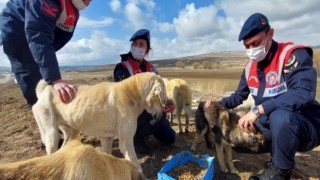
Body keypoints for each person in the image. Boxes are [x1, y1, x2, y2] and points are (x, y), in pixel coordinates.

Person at [206, 13, 320, 179]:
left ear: (270, 34)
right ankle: (278, 158)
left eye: (256, 43)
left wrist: (260, 109)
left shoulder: (291, 56)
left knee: (279, 116)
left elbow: (303, 92)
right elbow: (239, 95)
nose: (252, 50)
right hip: (275, 123)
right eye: (247, 46)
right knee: (237, 137)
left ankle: (280, 171)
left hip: (306, 125)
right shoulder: (249, 68)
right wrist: (218, 104)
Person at [0, 0, 92, 107]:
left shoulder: (72, 11)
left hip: (37, 37)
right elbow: (39, 35)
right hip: (16, 30)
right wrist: (55, 79)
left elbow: (55, 40)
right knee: (32, 79)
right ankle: (38, 108)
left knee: (44, 78)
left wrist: (45, 61)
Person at [113, 29, 176, 155]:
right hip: (131, 113)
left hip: (149, 111)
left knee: (170, 138)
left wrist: (166, 103)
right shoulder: (123, 68)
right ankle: (134, 140)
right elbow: (124, 99)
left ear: (147, 50)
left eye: (141, 44)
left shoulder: (151, 69)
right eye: (134, 44)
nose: (137, 47)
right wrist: (157, 108)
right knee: (160, 115)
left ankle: (147, 130)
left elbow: (158, 92)